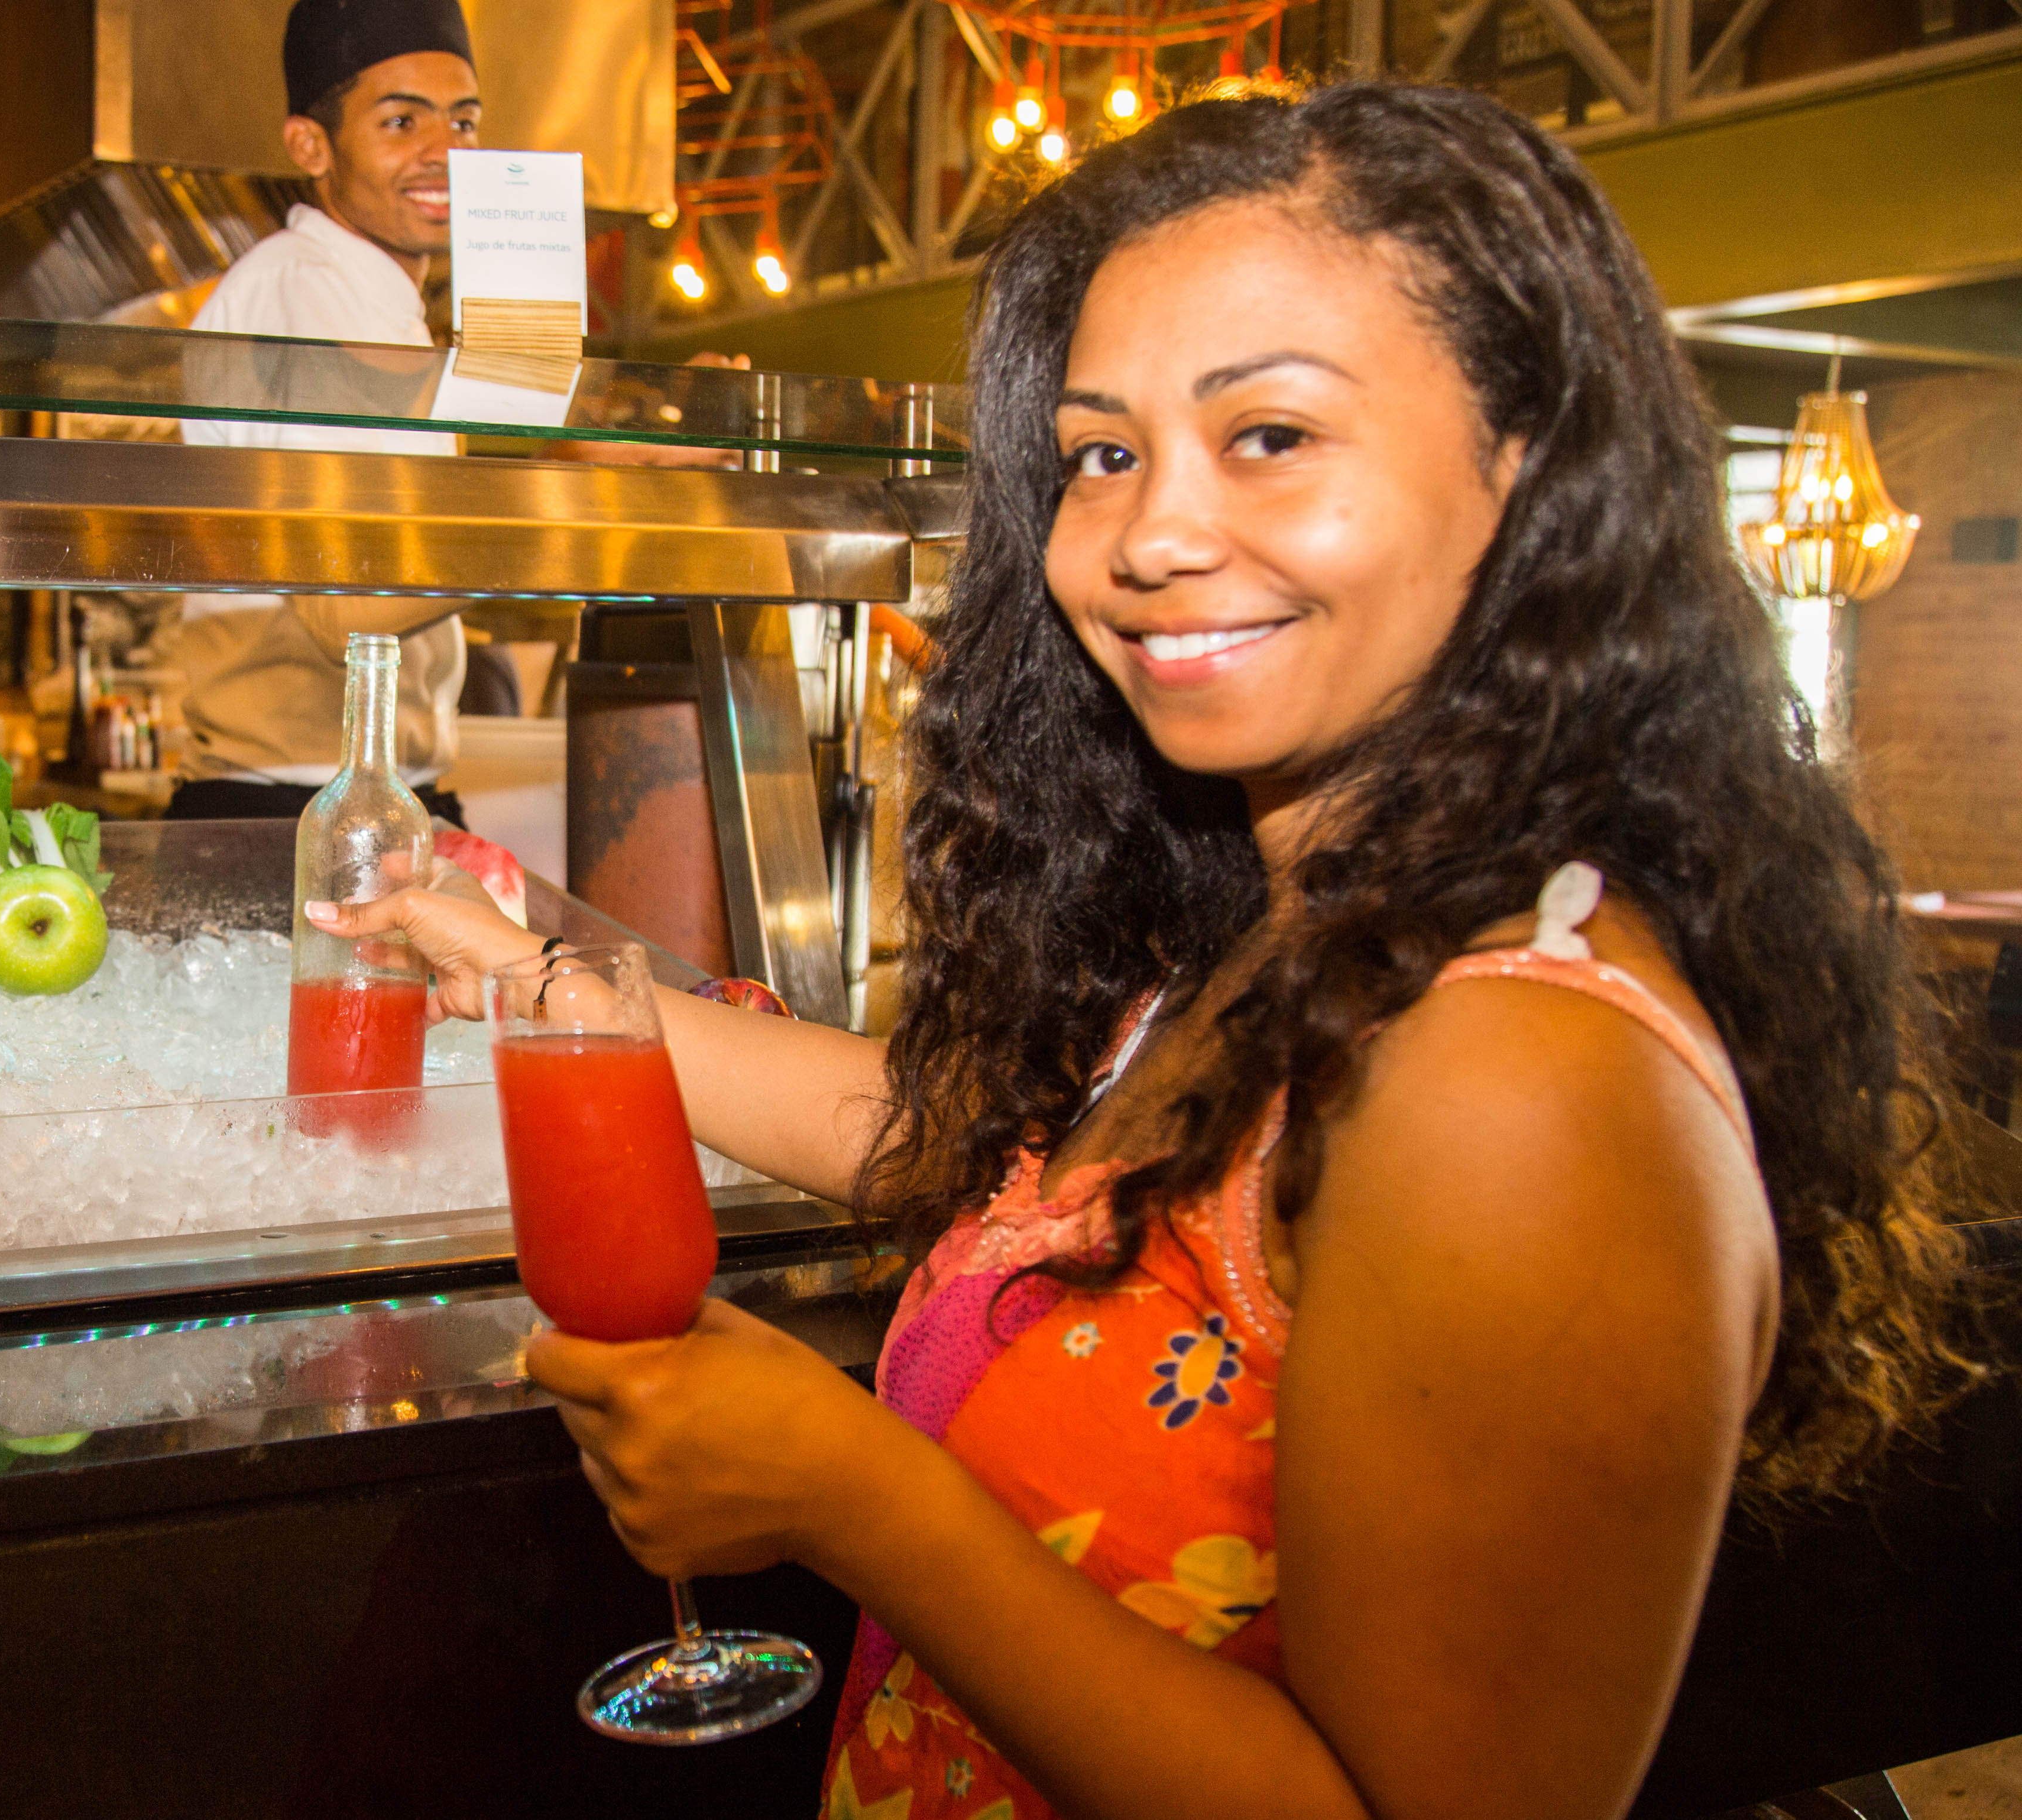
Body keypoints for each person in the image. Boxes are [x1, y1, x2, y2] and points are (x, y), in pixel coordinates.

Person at [305, 83, 1972, 1818]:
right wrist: (527, 965)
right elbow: (977, 1159)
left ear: (1525, 461)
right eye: (1104, 454)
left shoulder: (1517, 1076)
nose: (1154, 535)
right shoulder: (1285, 929)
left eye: (1272, 434)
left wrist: (850, 1495)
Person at [165, 0, 732, 830]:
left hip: (359, 798)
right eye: (402, 122)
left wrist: (617, 451)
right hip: (291, 811)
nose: (447, 152)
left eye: (463, 122)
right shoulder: (303, 291)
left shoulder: (387, 311)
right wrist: (566, 487)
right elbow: (345, 609)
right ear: (310, 145)